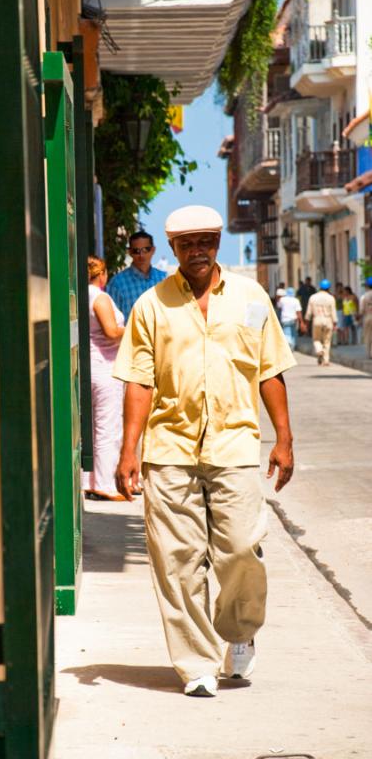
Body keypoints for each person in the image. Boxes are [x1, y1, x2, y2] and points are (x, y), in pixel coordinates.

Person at [113, 204, 296, 698]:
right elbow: (137, 381)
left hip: (235, 442)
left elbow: (270, 369)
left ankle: (238, 630)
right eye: (188, 243)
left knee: (239, 547)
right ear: (173, 248)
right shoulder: (152, 305)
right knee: (177, 558)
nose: (198, 250)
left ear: (217, 242)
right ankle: (195, 662)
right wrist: (129, 450)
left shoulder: (251, 298)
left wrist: (283, 436)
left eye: (207, 241)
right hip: (169, 445)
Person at [82, 256, 126, 502]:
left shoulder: (81, 296)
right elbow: (111, 332)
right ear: (103, 274)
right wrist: (133, 329)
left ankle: (89, 481)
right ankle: (104, 484)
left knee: (90, 427)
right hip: (106, 366)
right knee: (108, 427)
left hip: (90, 365)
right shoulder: (99, 297)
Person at [107, 230, 167, 321]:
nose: (141, 255)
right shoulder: (117, 284)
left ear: (153, 250)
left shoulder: (164, 279)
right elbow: (112, 322)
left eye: (146, 249)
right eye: (136, 251)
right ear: (130, 252)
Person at [305, 279, 337, 366]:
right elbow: (333, 312)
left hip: (317, 320)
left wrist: (306, 323)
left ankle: (319, 350)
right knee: (327, 341)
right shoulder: (331, 298)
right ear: (328, 288)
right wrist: (335, 323)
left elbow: (308, 313)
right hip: (328, 320)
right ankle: (326, 360)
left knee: (316, 339)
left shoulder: (313, 297)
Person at [359, 276, 372, 359]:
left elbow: (361, 310)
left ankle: (370, 353)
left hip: (368, 317)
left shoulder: (364, 296)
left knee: (368, 336)